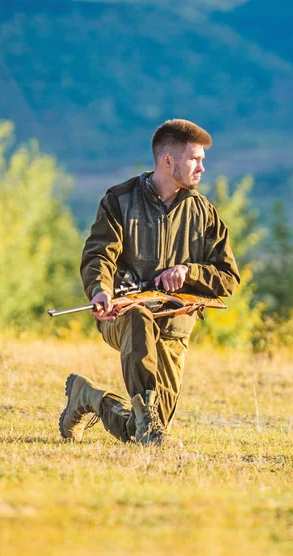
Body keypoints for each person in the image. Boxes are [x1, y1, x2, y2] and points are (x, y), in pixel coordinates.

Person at [59, 119, 240, 446]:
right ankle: (148, 423)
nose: (202, 167)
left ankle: (87, 396)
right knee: (139, 317)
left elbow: (228, 278)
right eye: (194, 159)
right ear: (167, 161)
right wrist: (100, 289)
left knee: (137, 430)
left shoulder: (204, 213)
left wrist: (190, 272)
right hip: (123, 315)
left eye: (202, 159)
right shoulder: (119, 200)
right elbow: (99, 254)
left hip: (174, 327)